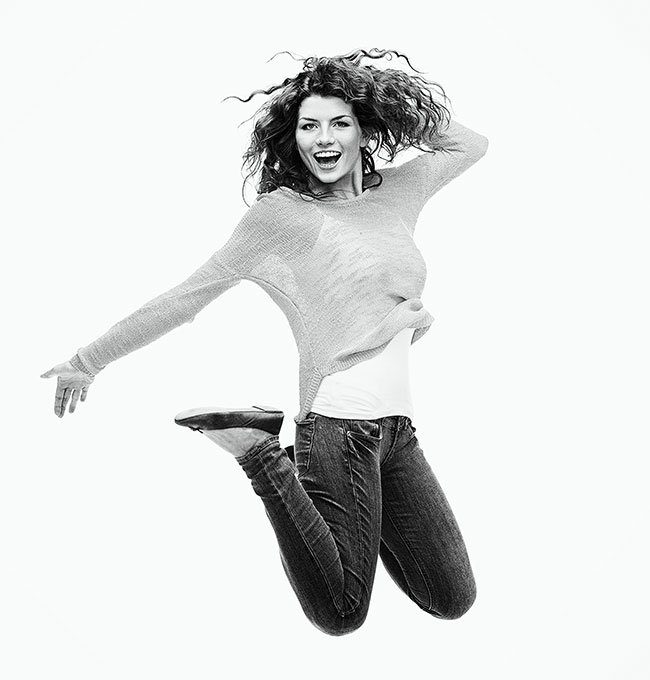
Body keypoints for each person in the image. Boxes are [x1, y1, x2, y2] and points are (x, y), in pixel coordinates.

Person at [41, 48, 488, 636]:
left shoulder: (395, 194)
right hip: (336, 429)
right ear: (292, 139)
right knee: (340, 613)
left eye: (339, 122)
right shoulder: (280, 217)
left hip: (398, 435)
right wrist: (87, 360)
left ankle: (327, 499)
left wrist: (379, 94)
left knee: (451, 598)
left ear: (363, 129)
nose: (322, 138)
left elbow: (470, 145)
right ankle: (257, 451)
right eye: (308, 125)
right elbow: (187, 296)